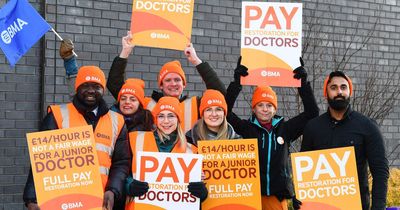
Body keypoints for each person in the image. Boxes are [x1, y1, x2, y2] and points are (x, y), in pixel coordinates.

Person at [23, 66, 131, 210]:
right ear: (76, 88)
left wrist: (113, 190)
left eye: (96, 86)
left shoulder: (117, 121)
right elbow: (40, 162)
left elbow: (121, 162)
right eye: (85, 85)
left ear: (103, 90)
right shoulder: (57, 116)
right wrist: (32, 198)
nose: (91, 90)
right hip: (63, 201)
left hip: (100, 202)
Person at [225, 57, 319, 210]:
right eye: (260, 105)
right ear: (253, 109)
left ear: (275, 109)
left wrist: (302, 84)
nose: (265, 109)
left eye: (269, 105)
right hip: (251, 195)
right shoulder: (247, 128)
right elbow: (225, 113)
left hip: (277, 197)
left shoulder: (285, 129)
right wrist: (237, 83)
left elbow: (312, 113)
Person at [301, 71, 389, 210]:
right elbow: (304, 175)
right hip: (320, 207)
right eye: (333, 88)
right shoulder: (313, 127)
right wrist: (300, 199)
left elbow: (380, 172)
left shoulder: (368, 126)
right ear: (326, 93)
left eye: (343, 87)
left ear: (350, 92)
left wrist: (378, 208)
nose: (339, 92)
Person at [106, 32, 226, 132]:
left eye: (177, 80)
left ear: (184, 84)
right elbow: (115, 85)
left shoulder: (195, 104)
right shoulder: (147, 104)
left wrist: (196, 61)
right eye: (168, 80)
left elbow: (219, 93)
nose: (173, 83)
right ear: (161, 86)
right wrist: (125, 52)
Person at [125, 96, 208, 210]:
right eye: (161, 116)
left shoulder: (192, 150)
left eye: (171, 116)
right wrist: (130, 186)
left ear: (178, 119)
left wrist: (201, 192)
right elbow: (122, 171)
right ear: (156, 119)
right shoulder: (136, 139)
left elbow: (197, 187)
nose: (166, 121)